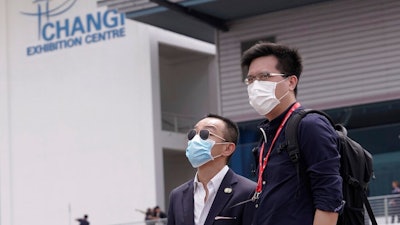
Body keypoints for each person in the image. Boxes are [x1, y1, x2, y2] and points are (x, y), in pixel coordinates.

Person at [240, 42, 344, 225]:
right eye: (250, 79)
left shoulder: (310, 125)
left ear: (291, 81)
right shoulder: (267, 134)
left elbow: (329, 198)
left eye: (264, 76)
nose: (255, 85)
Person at [167, 114, 256, 225]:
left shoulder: (248, 192)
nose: (195, 139)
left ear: (227, 148)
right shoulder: (177, 195)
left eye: (205, 134)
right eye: (193, 134)